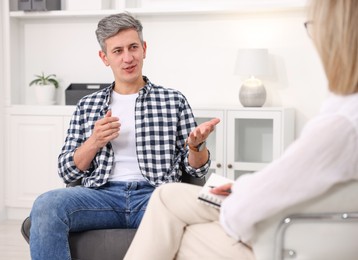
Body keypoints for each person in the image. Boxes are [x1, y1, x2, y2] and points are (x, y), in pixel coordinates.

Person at [124, 0, 358, 259]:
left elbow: (241, 213)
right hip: (291, 220)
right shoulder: (343, 116)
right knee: (167, 196)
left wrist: (198, 150)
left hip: (284, 237)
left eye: (313, 28)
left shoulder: (341, 126)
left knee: (181, 231)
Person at [28, 12, 220, 260]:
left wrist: (197, 147)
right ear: (104, 57)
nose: (128, 58)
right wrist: (94, 142)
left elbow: (195, 171)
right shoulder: (88, 105)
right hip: (100, 197)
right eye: (117, 51)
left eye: (133, 47)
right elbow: (67, 171)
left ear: (144, 49)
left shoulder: (173, 100)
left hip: (156, 196)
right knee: (46, 204)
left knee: (222, 196)